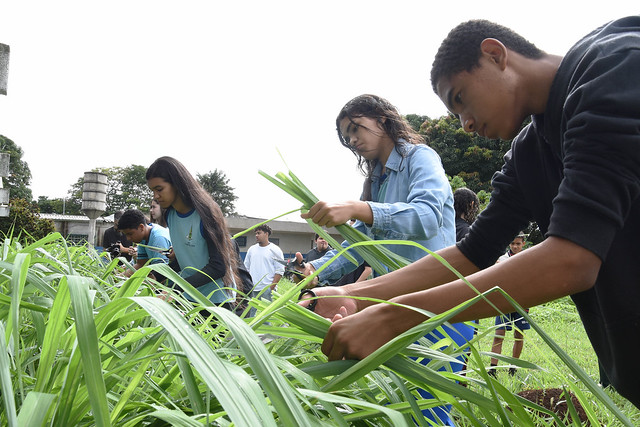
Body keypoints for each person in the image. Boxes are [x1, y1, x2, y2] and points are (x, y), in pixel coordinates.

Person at [303, 17, 640, 408]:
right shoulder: (530, 151)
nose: (464, 124)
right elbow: (472, 253)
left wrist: (395, 316)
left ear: (495, 55)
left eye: (460, 98)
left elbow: (573, 259)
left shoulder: (614, 68)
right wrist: (354, 294)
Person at [297, 94, 474, 425]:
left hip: (437, 302)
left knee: (430, 411)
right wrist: (314, 271)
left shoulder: (420, 158)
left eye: (355, 128)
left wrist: (358, 208)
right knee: (405, 407)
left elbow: (428, 215)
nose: (351, 139)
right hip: (393, 305)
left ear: (382, 120)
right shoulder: (377, 181)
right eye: (345, 136)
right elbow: (361, 246)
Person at [146, 156, 245, 311]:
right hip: (190, 298)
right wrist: (157, 275)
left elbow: (218, 267)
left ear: (176, 183)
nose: (155, 196)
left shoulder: (205, 213)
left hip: (216, 301)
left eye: (159, 189)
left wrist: (177, 288)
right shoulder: (170, 215)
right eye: (152, 191)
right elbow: (186, 259)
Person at [489, 233, 530, 376]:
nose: (515, 246)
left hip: (522, 303)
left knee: (519, 335)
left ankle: (513, 368)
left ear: (523, 244)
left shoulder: (529, 259)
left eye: (518, 244)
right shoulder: (502, 259)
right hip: (503, 302)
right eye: (512, 243)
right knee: (499, 334)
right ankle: (492, 369)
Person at [116, 208, 172, 281]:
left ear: (141, 227)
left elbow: (161, 272)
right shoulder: (143, 237)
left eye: (130, 234)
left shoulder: (158, 238)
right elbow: (140, 264)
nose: (128, 238)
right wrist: (118, 278)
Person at [243, 224, 285, 317]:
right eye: (256, 233)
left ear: (266, 234)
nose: (256, 235)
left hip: (267, 289)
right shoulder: (251, 249)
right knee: (249, 315)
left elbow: (280, 270)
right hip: (252, 288)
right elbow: (246, 268)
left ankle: (267, 332)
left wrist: (271, 288)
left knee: (266, 316)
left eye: (259, 233)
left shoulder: (275, 250)